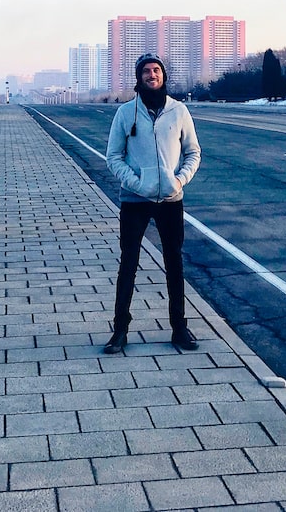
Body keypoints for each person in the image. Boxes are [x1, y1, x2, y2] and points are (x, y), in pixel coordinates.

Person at [104, 53, 201, 353]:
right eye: (146, 71)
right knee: (128, 264)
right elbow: (113, 157)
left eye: (156, 70)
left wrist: (179, 180)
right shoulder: (125, 113)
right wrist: (136, 183)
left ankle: (179, 328)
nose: (152, 75)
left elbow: (193, 152)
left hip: (171, 199)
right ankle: (120, 330)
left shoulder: (179, 111)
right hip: (134, 200)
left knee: (174, 263)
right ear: (139, 77)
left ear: (163, 76)